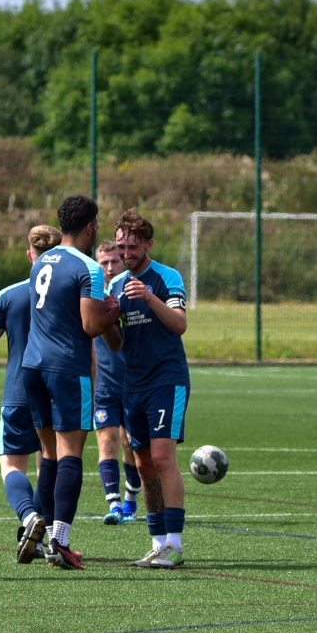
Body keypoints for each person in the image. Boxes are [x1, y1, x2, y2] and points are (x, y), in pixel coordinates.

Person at [22, 195, 122, 569]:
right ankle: (60, 542)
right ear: (91, 227)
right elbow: (90, 326)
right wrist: (112, 314)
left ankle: (45, 535)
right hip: (66, 369)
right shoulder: (88, 268)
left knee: (48, 454)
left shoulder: (41, 262)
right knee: (70, 455)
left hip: (32, 366)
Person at [109, 209, 189, 570]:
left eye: (133, 246)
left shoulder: (165, 277)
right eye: (122, 245)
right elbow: (115, 343)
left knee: (161, 458)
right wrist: (109, 317)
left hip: (166, 380)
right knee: (142, 465)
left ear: (148, 245)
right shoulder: (114, 286)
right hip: (132, 384)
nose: (126, 252)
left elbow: (180, 324)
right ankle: (157, 543)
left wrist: (149, 298)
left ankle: (175, 542)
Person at [0, 224, 61, 564]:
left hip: (18, 392)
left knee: (12, 464)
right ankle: (49, 538)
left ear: (29, 254)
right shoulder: (74, 289)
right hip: (61, 392)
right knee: (54, 461)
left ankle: (30, 517)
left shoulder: (9, 295)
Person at [93, 239, 142, 524]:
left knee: (129, 444)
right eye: (104, 263)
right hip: (105, 385)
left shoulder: (131, 290)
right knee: (107, 441)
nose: (110, 267)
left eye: (114, 261)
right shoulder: (91, 294)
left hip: (134, 381)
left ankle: (130, 501)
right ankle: (113, 506)